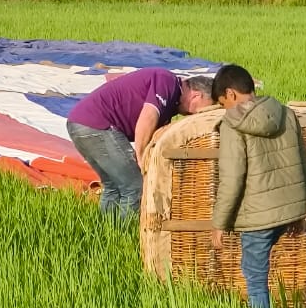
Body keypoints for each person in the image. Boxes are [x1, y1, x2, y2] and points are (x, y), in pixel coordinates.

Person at [210, 64, 306, 308]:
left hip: (257, 215)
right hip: (288, 210)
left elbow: (232, 177)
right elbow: (302, 162)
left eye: (223, 103)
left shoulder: (232, 123)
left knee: (255, 279)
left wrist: (219, 223)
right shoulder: (286, 113)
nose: (225, 109)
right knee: (258, 271)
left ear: (231, 94)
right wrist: (300, 211)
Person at [67, 69, 214, 221]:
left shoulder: (170, 103)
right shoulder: (167, 82)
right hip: (98, 124)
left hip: (78, 122)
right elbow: (147, 119)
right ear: (197, 95)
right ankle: (124, 236)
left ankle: (107, 231)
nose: (196, 116)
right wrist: (141, 158)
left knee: (114, 186)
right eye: (202, 110)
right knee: (135, 186)